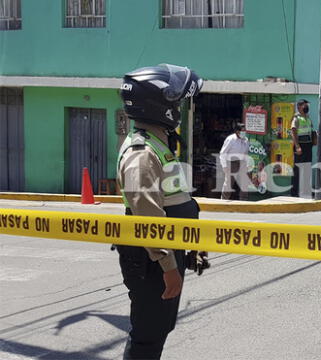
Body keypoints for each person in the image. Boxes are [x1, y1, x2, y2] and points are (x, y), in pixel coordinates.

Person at [117, 64, 210, 360]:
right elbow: (147, 215)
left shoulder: (158, 144)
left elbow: (173, 201)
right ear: (159, 106)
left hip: (165, 253)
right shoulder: (142, 152)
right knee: (147, 334)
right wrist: (168, 265)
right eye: (175, 102)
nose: (178, 108)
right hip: (151, 260)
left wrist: (189, 247)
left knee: (158, 328)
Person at [290, 99, 315, 197]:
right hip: (300, 145)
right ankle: (294, 192)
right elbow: (293, 132)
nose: (307, 107)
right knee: (297, 169)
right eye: (305, 105)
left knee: (307, 168)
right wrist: (297, 146)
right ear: (299, 106)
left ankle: (306, 191)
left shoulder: (308, 117)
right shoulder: (296, 118)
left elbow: (311, 129)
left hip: (308, 145)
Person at [220, 122, 249, 200]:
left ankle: (243, 202)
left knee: (244, 184)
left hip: (242, 163)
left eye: (245, 131)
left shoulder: (246, 140)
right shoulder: (230, 139)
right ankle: (223, 201)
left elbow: (246, 153)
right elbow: (223, 153)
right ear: (237, 131)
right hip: (231, 163)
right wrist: (224, 166)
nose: (244, 132)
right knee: (228, 184)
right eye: (243, 131)